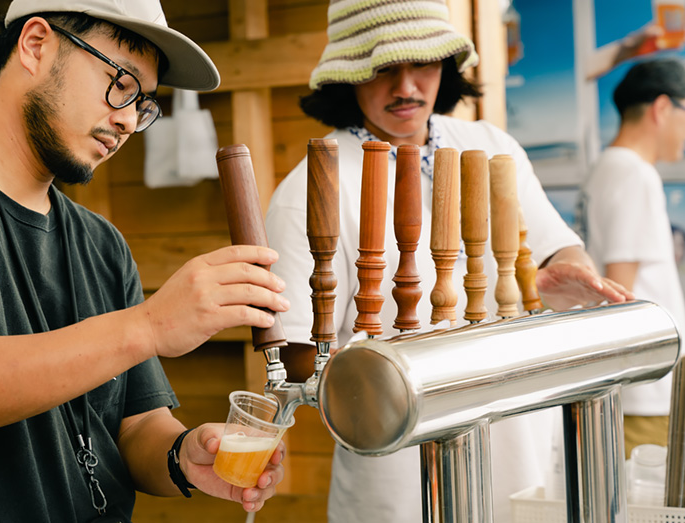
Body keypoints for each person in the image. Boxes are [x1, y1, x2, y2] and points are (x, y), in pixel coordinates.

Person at [0, 0, 292, 521]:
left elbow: (134, 426)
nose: (129, 119)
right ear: (36, 45)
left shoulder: (101, 243)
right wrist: (149, 325)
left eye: (145, 103)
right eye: (121, 82)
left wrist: (184, 455)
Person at [264, 1, 632, 521]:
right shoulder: (312, 187)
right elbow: (300, 353)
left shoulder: (486, 143)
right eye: (383, 68)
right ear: (346, 75)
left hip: (520, 447)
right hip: (400, 467)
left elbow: (558, 249)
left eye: (424, 63)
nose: (407, 87)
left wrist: (563, 275)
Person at [578, 58, 685, 458]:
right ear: (662, 108)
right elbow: (620, 287)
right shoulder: (634, 173)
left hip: (633, 379)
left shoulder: (605, 168)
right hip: (646, 384)